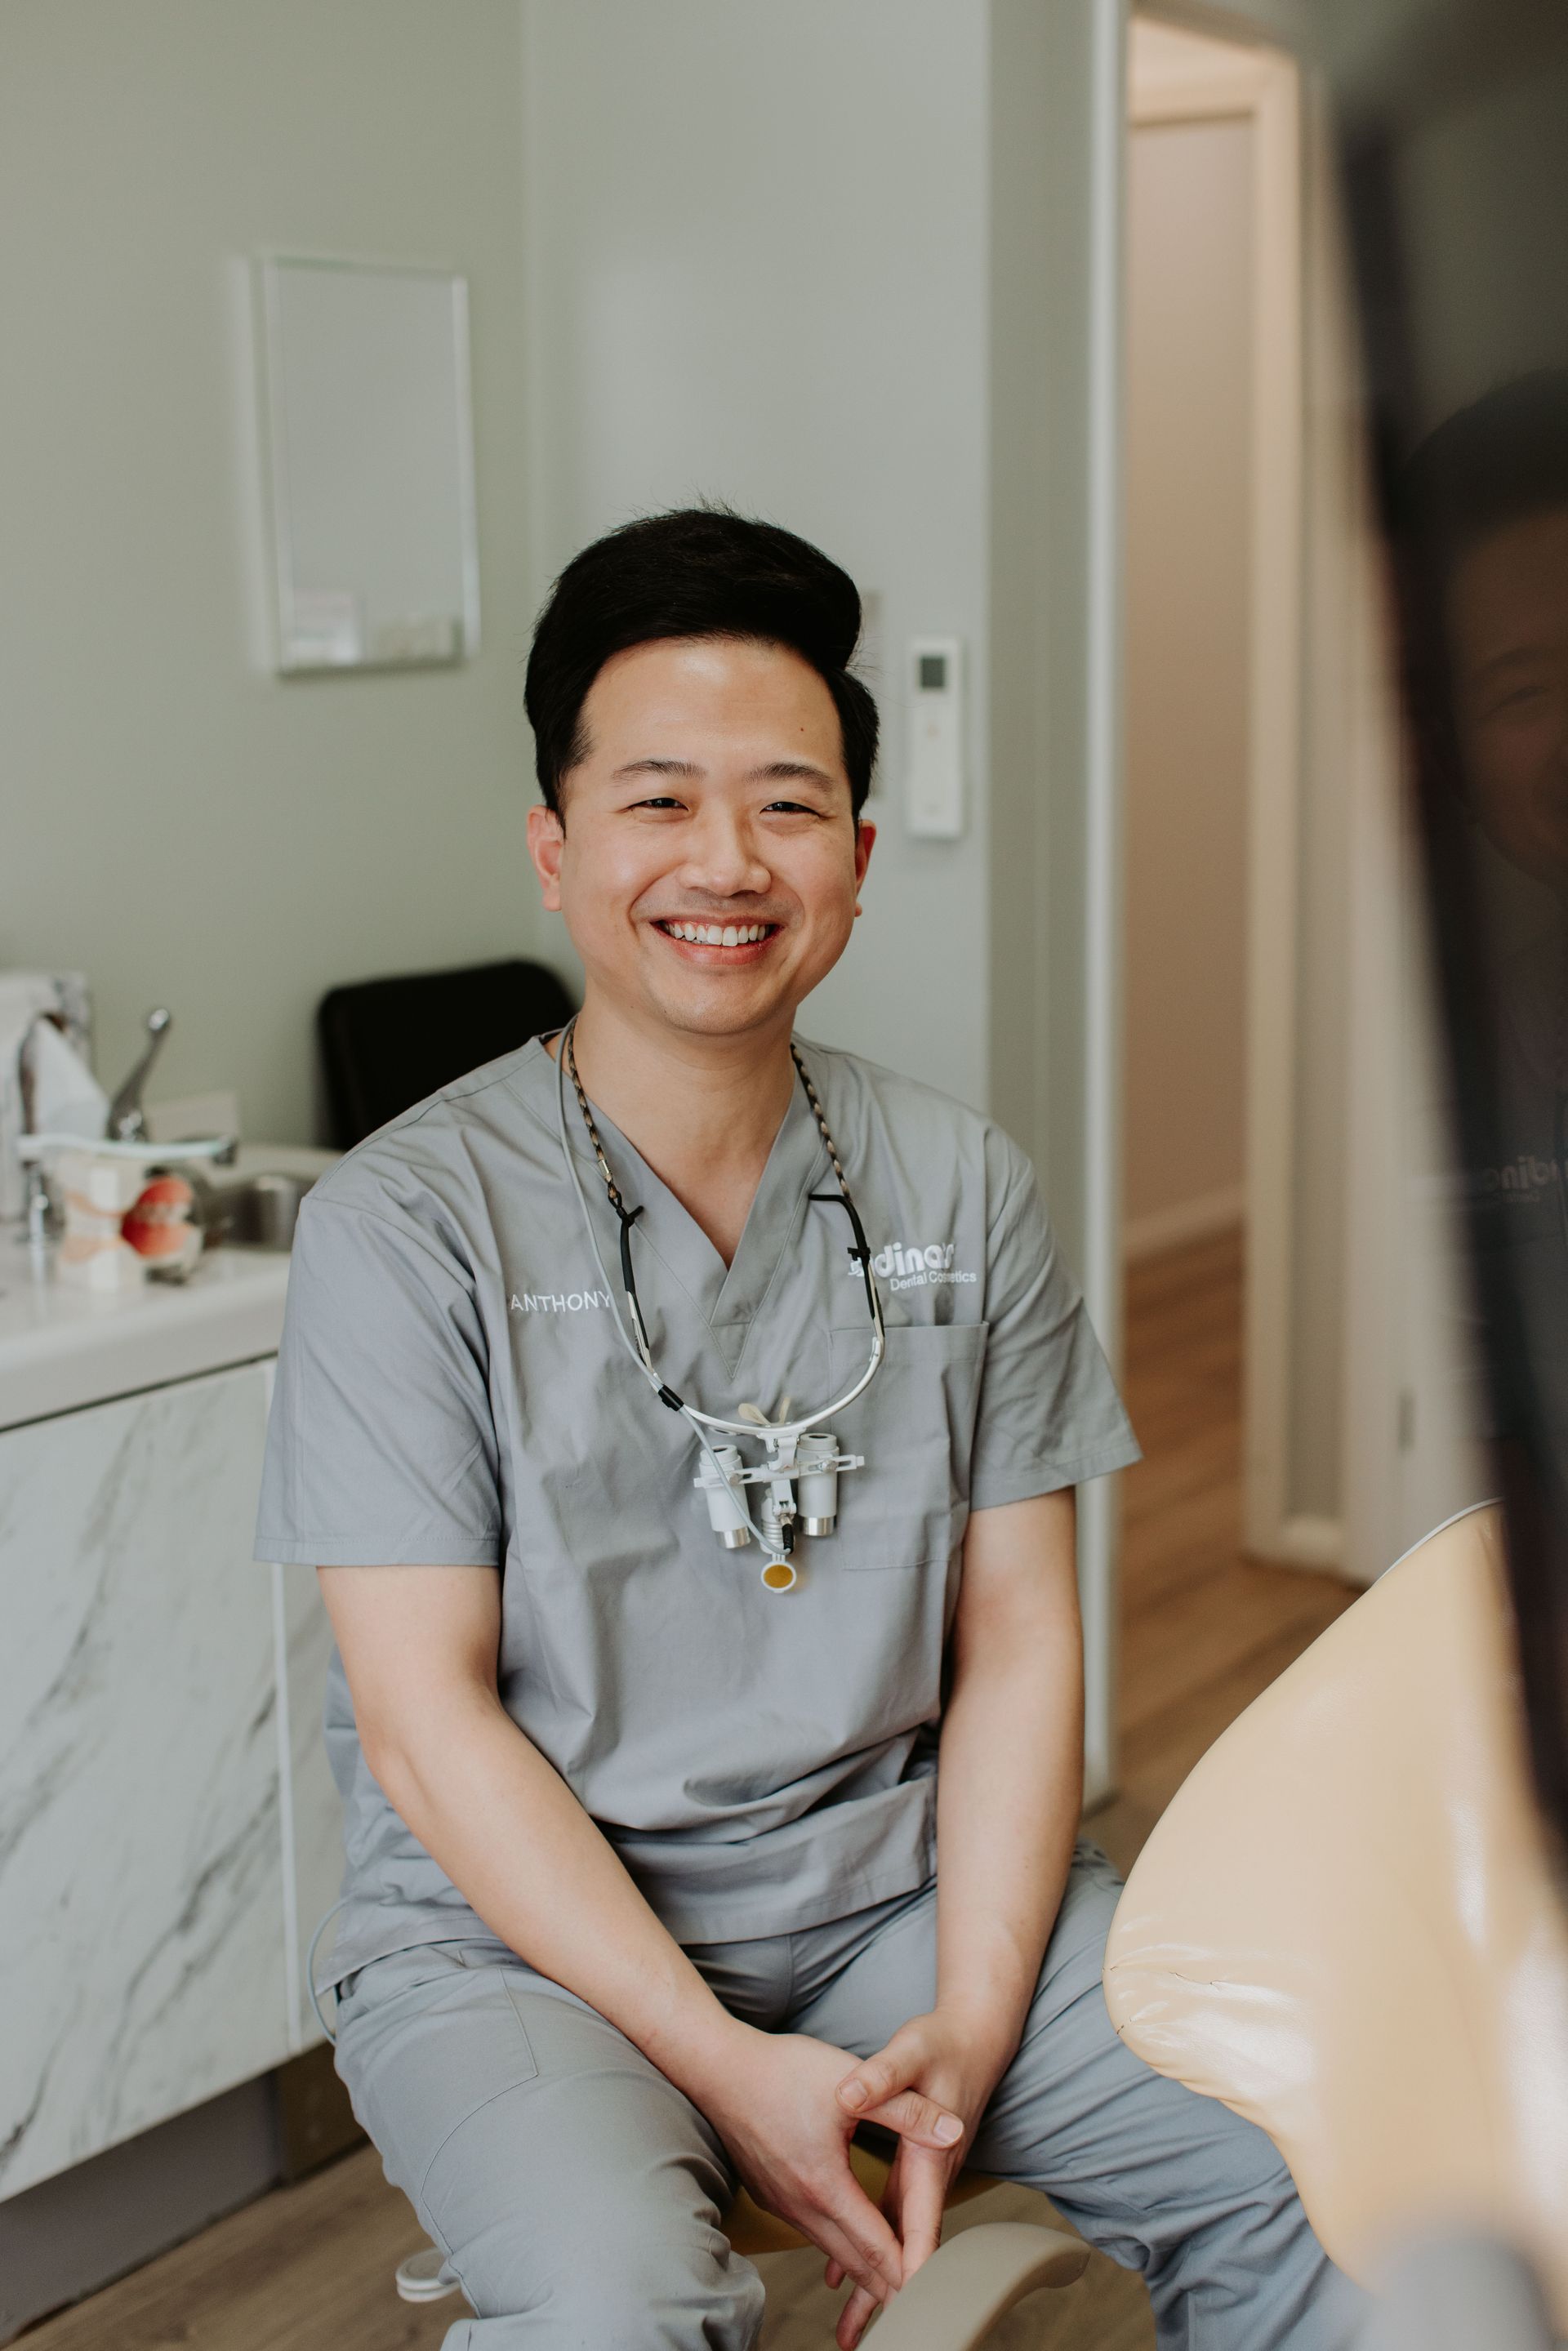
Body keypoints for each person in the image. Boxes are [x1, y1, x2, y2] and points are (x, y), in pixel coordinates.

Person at [256, 509, 1366, 2351]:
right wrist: (729, 2070)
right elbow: (423, 1722)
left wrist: (981, 2017)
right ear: (555, 849)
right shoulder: (405, 1225)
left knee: (1312, 2166)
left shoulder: (960, 1179)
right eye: (658, 801)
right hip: (520, 1949)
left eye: (784, 805)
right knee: (621, 2308)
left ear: (855, 857)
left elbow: (1018, 1636)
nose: (727, 861)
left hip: (890, 1897)